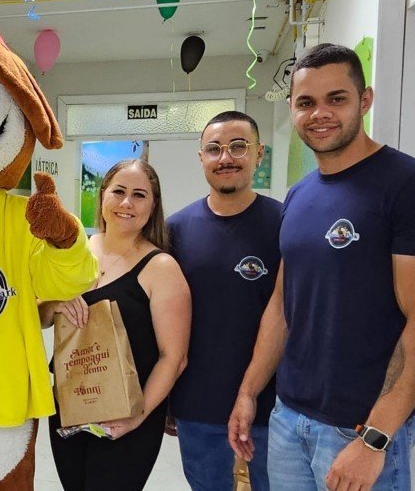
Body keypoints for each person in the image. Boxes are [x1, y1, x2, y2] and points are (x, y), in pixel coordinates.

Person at [228, 43, 415, 490]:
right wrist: (249, 391)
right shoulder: (298, 195)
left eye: (337, 99)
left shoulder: (403, 184)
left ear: (364, 100)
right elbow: (282, 303)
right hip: (289, 420)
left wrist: (375, 438)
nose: (320, 114)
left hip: (358, 429)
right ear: (292, 110)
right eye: (306, 103)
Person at [40, 159, 191, 490]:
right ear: (102, 196)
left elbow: (174, 357)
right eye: (118, 191)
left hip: (124, 418)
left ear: (153, 207)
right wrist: (54, 303)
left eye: (139, 195)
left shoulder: (161, 268)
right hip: (69, 408)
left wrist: (136, 417)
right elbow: (41, 317)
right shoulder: (77, 252)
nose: (126, 203)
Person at [167, 111, 281, 491]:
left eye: (238, 146)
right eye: (214, 149)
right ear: (201, 157)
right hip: (198, 402)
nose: (226, 157)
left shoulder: (284, 223)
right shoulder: (176, 230)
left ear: (259, 154)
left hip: (273, 404)